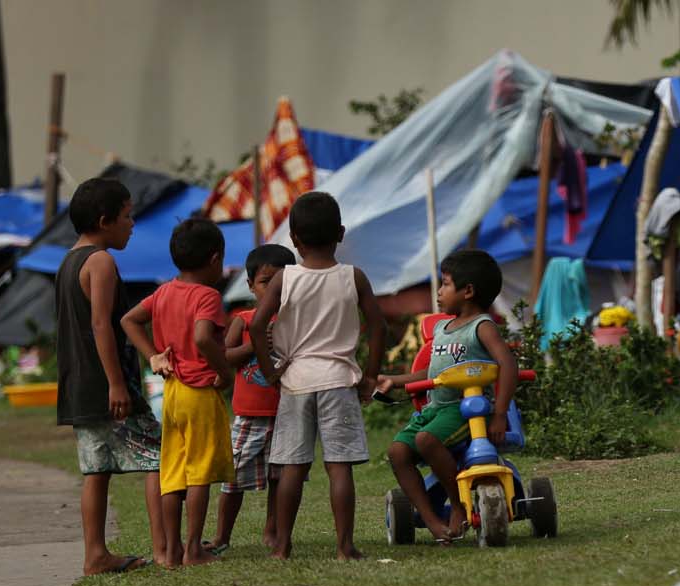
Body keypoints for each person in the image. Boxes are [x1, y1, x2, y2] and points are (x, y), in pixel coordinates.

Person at [251, 192, 386, 561]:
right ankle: (344, 546)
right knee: (338, 467)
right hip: (339, 380)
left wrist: (270, 372)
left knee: (291, 467)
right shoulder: (352, 277)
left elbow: (257, 325)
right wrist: (371, 375)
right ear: (341, 233)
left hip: (295, 381)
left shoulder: (285, 278)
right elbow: (378, 323)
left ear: (293, 239)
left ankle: (282, 545)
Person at [54, 177, 166, 574]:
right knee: (158, 456)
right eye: (126, 216)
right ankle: (165, 549)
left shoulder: (68, 261)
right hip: (108, 385)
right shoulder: (100, 261)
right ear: (104, 221)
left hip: (79, 386)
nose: (132, 224)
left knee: (96, 470)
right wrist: (117, 383)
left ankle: (96, 554)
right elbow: (102, 324)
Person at [376, 249, 517, 545]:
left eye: (445, 284)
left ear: (467, 291)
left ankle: (457, 504)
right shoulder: (441, 327)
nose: (438, 291)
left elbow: (507, 363)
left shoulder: (482, 326)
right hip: (435, 409)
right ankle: (430, 517)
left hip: (466, 410)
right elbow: (431, 371)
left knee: (427, 440)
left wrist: (501, 413)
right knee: (397, 452)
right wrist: (395, 380)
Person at [121, 217, 234, 567]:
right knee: (199, 473)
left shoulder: (164, 291)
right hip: (199, 393)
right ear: (215, 259)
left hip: (171, 394)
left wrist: (153, 355)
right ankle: (194, 549)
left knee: (173, 471)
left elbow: (129, 320)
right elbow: (203, 337)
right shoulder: (208, 296)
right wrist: (224, 370)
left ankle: (170, 552)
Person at [211, 244, 296, 554]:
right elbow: (225, 356)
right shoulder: (244, 320)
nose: (273, 288)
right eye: (265, 282)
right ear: (250, 285)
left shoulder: (293, 320)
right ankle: (222, 536)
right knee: (233, 479)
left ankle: (272, 529)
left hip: (287, 412)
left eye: (281, 282)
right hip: (249, 415)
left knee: (281, 476)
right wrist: (253, 345)